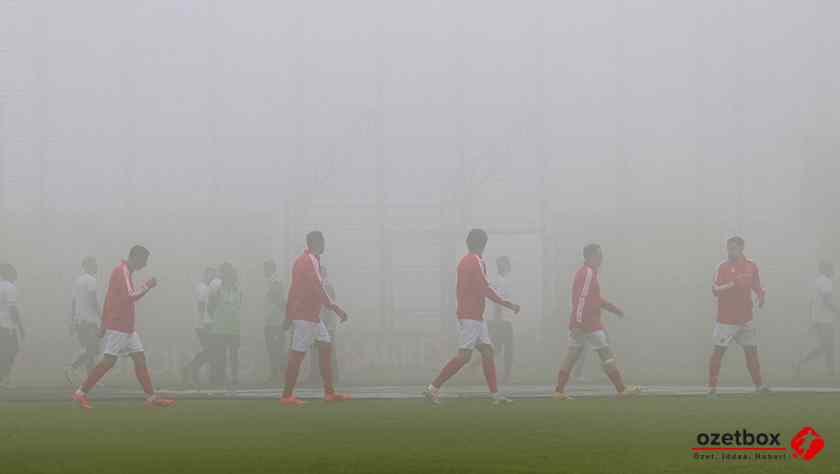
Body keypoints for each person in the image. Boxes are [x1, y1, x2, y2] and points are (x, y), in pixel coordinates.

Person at [423, 229, 521, 406]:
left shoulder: (465, 261)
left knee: (487, 351)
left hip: (473, 315)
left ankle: (495, 395)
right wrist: (507, 304)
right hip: (471, 316)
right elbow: (484, 288)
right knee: (464, 356)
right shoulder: (475, 261)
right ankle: (432, 388)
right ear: (483, 244)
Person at [71, 245, 175, 408]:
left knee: (140, 359)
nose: (145, 265)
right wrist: (148, 285)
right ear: (136, 258)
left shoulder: (123, 271)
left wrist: (103, 324)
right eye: (144, 261)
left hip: (126, 326)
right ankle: (80, 393)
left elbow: (109, 298)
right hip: (119, 325)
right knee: (108, 362)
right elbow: (130, 296)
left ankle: (151, 397)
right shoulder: (122, 271)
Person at [552, 243, 640, 400]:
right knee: (605, 353)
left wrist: (614, 309)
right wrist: (579, 323)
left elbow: (595, 299)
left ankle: (559, 391)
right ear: (591, 256)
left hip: (582, 322)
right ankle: (621, 389)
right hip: (589, 322)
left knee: (572, 354)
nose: (601, 258)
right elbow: (581, 299)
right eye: (599, 255)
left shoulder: (588, 273)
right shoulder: (587, 273)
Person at [279, 231, 350, 405]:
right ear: (317, 242)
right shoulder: (309, 260)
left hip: (309, 316)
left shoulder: (303, 261)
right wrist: (336, 308)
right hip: (306, 316)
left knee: (325, 346)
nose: (325, 244)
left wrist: (289, 315)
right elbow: (318, 288)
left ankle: (329, 392)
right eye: (323, 241)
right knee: (297, 354)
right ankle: (287, 396)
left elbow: (293, 289)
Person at [707, 236, 769, 398]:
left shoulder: (751, 265)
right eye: (728, 248)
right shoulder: (722, 267)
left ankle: (760, 386)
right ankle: (712, 389)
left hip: (745, 318)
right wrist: (733, 284)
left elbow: (757, 284)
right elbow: (715, 289)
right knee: (718, 353)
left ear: (741, 248)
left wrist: (761, 295)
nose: (730, 252)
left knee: (752, 352)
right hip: (726, 320)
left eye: (733, 248)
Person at [795, 261, 839, 377]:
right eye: (831, 268)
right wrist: (837, 311)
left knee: (825, 346)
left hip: (817, 318)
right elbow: (827, 300)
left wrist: (812, 318)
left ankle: (803, 362)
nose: (833, 271)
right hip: (825, 319)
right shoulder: (826, 281)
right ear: (827, 269)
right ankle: (830, 371)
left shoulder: (816, 281)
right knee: (828, 346)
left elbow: (811, 302)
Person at [65, 257, 101, 385]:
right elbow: (93, 300)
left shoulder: (77, 281)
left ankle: (90, 380)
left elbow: (74, 302)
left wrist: (73, 321)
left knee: (90, 350)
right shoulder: (91, 280)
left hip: (80, 321)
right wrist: (101, 315)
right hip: (90, 321)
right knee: (92, 349)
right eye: (94, 264)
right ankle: (72, 367)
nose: (96, 266)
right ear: (88, 266)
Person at [182, 267, 217, 387]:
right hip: (203, 324)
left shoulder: (206, 288)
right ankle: (191, 369)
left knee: (210, 351)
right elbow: (201, 305)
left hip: (207, 323)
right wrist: (202, 322)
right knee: (211, 350)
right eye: (211, 275)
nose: (212, 278)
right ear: (205, 275)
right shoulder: (202, 288)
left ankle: (191, 370)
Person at [209, 262, 242, 388]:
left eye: (232, 276)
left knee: (234, 354)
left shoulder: (238, 290)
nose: (230, 278)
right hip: (219, 327)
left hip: (234, 327)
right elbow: (210, 307)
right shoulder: (217, 290)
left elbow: (240, 305)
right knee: (220, 354)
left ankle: (234, 377)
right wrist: (216, 319)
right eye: (227, 276)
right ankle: (220, 377)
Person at [307, 265, 339, 385]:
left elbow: (329, 306)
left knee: (325, 351)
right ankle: (315, 376)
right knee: (316, 351)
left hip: (325, 324)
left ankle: (331, 376)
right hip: (318, 322)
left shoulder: (326, 286)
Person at [488, 256, 515, 385]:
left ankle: (476, 367)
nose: (501, 266)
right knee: (506, 348)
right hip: (502, 320)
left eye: (503, 264)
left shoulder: (506, 280)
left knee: (497, 348)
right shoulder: (500, 281)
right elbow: (497, 300)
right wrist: (497, 319)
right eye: (500, 264)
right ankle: (506, 376)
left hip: (506, 319)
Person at [263, 260, 287, 385]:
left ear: (271, 269)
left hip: (276, 321)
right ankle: (274, 374)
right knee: (272, 350)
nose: (264, 271)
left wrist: (287, 316)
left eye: (266, 268)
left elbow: (279, 299)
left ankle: (280, 374)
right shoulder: (268, 282)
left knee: (277, 349)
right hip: (269, 321)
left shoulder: (275, 281)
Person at [0, 263, 24, 389]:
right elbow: (12, 308)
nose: (15, 274)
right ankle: (4, 379)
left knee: (6, 351)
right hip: (7, 325)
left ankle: (4, 378)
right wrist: (20, 327)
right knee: (10, 351)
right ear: (9, 273)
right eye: (14, 272)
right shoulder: (10, 287)